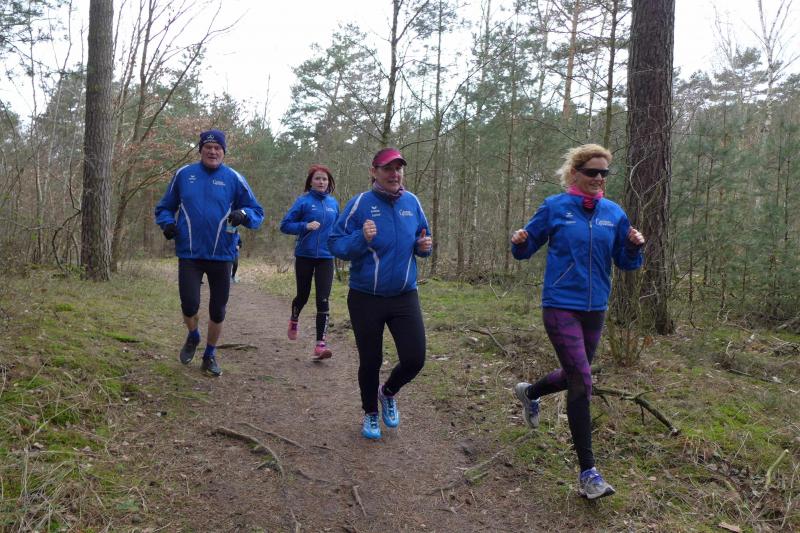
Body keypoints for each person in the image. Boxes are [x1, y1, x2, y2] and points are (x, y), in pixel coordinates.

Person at [510, 144, 644, 499]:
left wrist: (634, 247)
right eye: (592, 172)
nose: (599, 178)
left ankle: (530, 392)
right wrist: (519, 241)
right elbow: (525, 249)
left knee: (575, 374)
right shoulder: (555, 207)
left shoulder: (614, 213)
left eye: (604, 173)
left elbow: (626, 262)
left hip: (595, 307)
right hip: (560, 305)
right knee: (583, 380)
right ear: (575, 173)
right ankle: (588, 474)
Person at [328, 147, 433, 440]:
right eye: (387, 168)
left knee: (415, 359)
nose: (394, 174)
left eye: (398, 168)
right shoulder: (360, 203)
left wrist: (424, 248)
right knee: (370, 361)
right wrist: (361, 238)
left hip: (404, 295)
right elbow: (335, 243)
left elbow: (423, 239)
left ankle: (387, 392)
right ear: (374, 172)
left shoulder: (412, 202)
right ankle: (370, 412)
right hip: (366, 297)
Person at [155, 129, 264, 377]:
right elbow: (164, 207)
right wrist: (167, 224)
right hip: (190, 252)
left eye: (217, 148)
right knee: (189, 305)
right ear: (201, 150)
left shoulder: (234, 178)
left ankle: (209, 355)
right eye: (208, 147)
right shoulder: (184, 175)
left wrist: (243, 215)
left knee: (218, 309)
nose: (212, 152)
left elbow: (257, 212)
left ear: (223, 152)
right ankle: (193, 336)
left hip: (222, 254)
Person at [279, 164, 340, 360]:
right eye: (317, 178)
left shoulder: (333, 203)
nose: (321, 182)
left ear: (329, 182)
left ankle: (320, 345)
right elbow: (285, 226)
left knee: (323, 299)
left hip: (326, 257)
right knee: (303, 296)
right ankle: (294, 318)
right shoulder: (303, 202)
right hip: (305, 255)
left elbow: (339, 228)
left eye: (325, 179)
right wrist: (305, 225)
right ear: (311, 182)